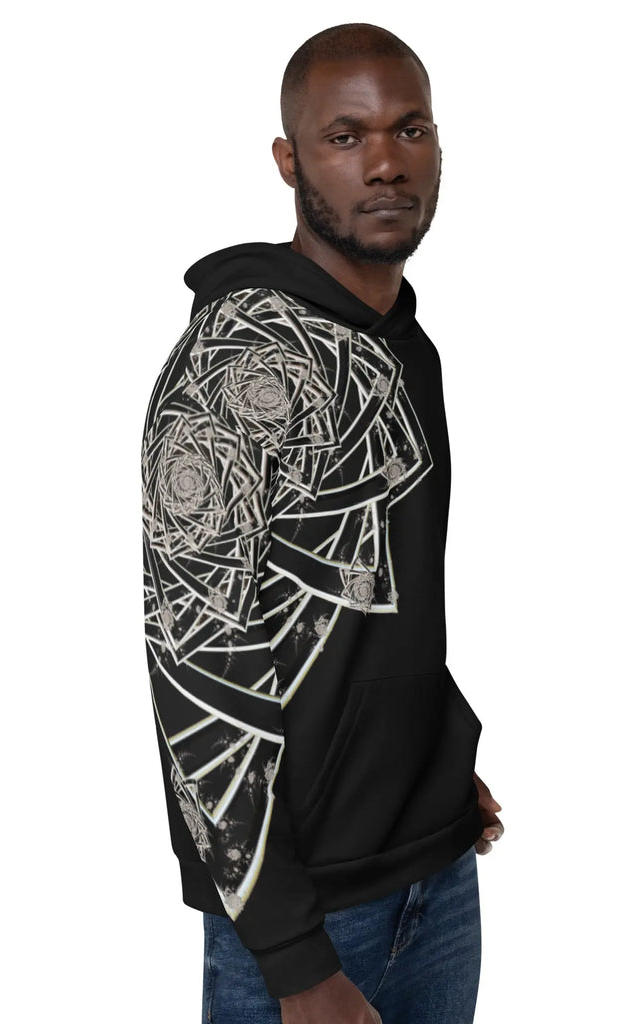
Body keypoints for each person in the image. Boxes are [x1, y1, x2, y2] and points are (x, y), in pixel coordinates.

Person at [141, 23, 504, 1024]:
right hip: (306, 918)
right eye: (345, 137)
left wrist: (431, 757)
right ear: (289, 160)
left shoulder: (403, 344)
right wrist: (294, 960)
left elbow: (371, 597)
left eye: (410, 129)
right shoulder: (234, 370)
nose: (385, 163)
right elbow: (193, 663)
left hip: (436, 870)